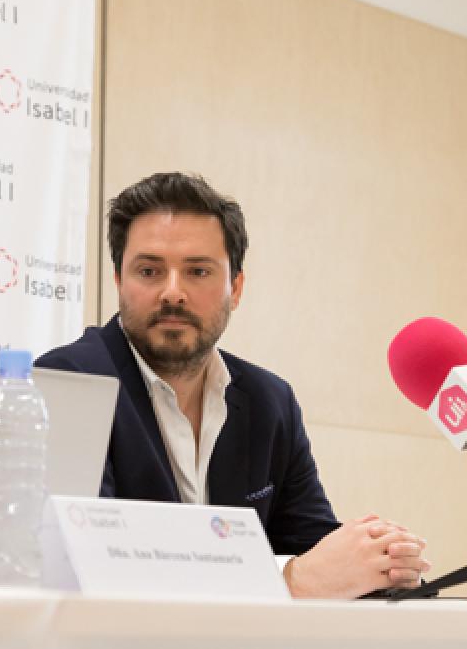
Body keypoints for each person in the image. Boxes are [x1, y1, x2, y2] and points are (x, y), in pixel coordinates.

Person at [37, 172, 431, 599]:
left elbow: (314, 549)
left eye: (198, 271)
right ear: (118, 281)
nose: (173, 293)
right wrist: (289, 582)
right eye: (149, 270)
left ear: (236, 288)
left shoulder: (269, 401)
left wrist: (378, 564)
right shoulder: (70, 382)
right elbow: (93, 566)